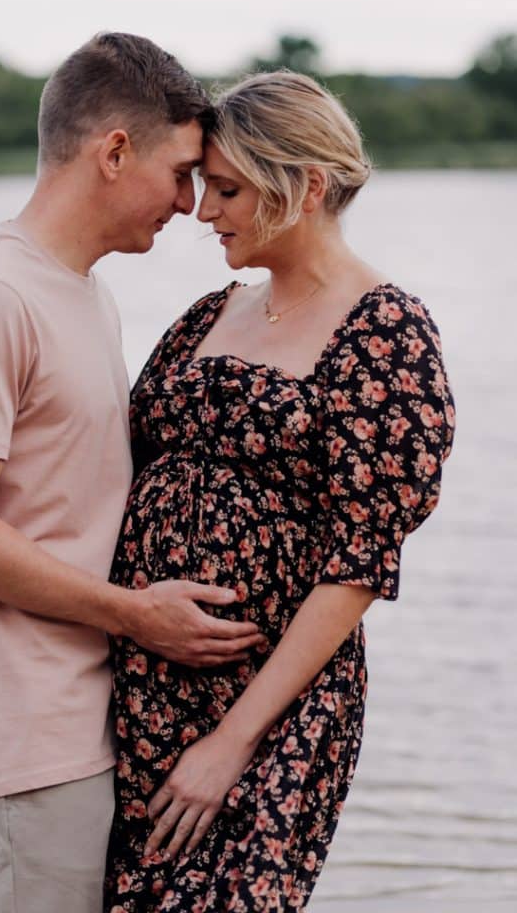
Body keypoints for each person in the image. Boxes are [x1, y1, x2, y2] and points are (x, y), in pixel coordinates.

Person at [0, 32, 264, 913]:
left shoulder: (85, 294)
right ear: (112, 152)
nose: (188, 204)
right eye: (180, 172)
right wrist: (137, 617)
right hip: (18, 741)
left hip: (78, 723)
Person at [105, 70, 455, 911]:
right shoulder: (205, 314)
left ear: (301, 187)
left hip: (273, 705)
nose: (201, 210)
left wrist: (231, 742)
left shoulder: (387, 335)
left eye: (225, 188)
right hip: (143, 681)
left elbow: (357, 566)